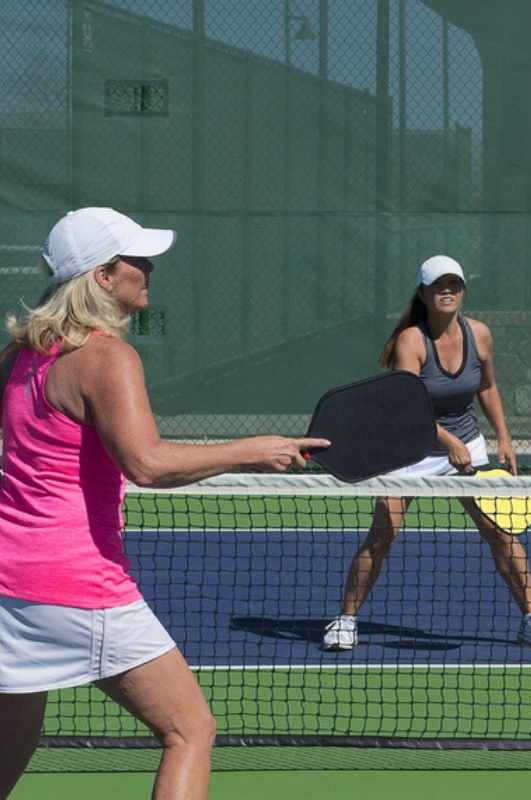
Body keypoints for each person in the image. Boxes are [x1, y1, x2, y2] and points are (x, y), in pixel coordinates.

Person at [0, 208, 328, 800]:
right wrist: (251, 450)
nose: (148, 270)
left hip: (9, 585)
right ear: (102, 276)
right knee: (190, 729)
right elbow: (146, 463)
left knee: (11, 738)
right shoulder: (108, 359)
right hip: (77, 585)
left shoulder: (19, 357)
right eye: (136, 260)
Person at [322, 255, 531, 652]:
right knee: (383, 533)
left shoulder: (480, 335)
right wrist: (447, 443)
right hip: (410, 450)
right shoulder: (411, 342)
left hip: (467, 446)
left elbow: (487, 386)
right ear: (423, 292)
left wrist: (503, 437)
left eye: (454, 284)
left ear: (463, 291)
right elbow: (408, 407)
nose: (447, 291)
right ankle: (346, 620)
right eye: (438, 285)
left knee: (501, 534)